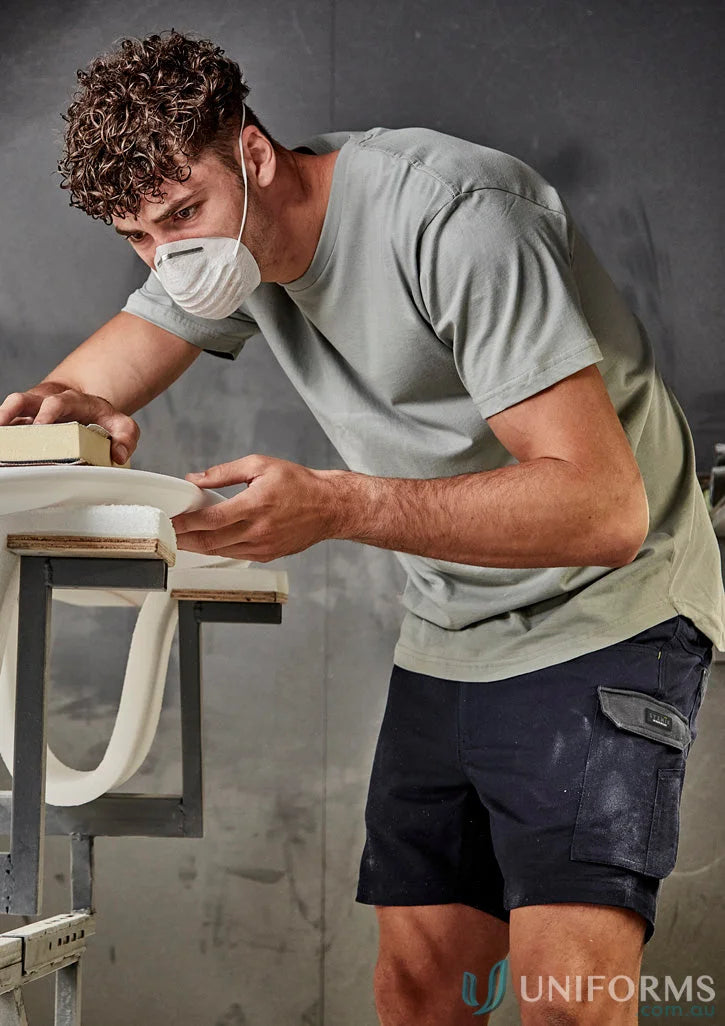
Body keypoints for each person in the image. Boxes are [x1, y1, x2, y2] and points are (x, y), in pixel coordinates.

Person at [2, 28, 722, 1026]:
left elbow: (601, 511)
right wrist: (67, 402)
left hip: (604, 612)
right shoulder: (223, 252)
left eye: (182, 215)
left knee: (567, 1001)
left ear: (252, 156)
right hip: (449, 634)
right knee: (418, 992)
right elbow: (93, 375)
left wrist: (340, 503)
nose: (170, 258)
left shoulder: (455, 217)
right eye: (137, 238)